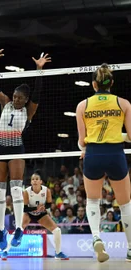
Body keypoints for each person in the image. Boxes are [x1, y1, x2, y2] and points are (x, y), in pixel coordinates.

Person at [0, 49, 51, 250]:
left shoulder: (28, 110)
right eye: (14, 96)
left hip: (16, 150)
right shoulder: (5, 103)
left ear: (25, 100)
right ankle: (0, 230)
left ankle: (18, 229)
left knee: (16, 189)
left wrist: (39, 70)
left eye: (19, 98)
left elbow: (38, 93)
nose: (15, 100)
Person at [76, 63, 131, 262]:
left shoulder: (83, 106)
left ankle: (97, 238)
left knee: (92, 200)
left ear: (94, 84)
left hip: (93, 154)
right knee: (125, 204)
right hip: (115, 153)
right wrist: (119, 135)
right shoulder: (123, 104)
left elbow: (82, 141)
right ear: (112, 83)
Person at [1, 171, 68, 260]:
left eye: (37, 179)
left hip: (41, 214)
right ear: (31, 182)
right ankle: (5, 251)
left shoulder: (46, 190)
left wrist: (43, 208)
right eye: (33, 179)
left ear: (41, 181)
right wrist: (36, 208)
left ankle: (58, 253)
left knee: (57, 230)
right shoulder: (26, 191)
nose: (34, 181)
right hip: (29, 213)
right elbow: (24, 208)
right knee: (19, 229)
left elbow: (49, 204)